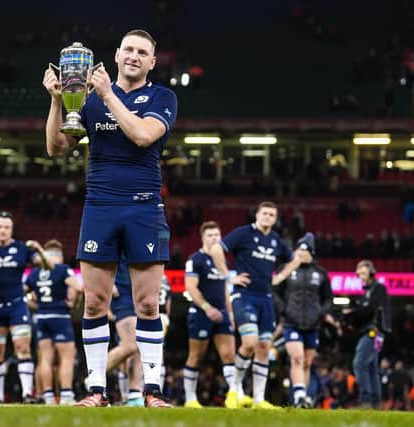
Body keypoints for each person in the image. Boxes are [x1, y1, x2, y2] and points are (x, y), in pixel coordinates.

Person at [43, 29, 177, 408]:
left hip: (144, 207)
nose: (134, 56)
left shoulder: (162, 97)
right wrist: (57, 102)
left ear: (152, 61)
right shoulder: (85, 100)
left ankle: (152, 391)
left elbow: (142, 135)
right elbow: (56, 148)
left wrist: (106, 94)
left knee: (148, 305)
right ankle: (96, 391)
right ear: (116, 55)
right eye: (129, 50)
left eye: (143, 52)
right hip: (100, 207)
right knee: (95, 303)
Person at [222, 201, 311, 409]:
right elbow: (218, 249)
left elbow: (295, 259)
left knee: (263, 347)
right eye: (265, 213)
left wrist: (279, 277)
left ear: (275, 219)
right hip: (244, 296)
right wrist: (228, 276)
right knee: (250, 342)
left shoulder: (275, 240)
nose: (268, 217)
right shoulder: (243, 233)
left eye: (272, 215)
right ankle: (234, 389)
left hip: (265, 298)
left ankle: (259, 399)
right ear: (257, 215)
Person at [0, 211, 49, 403]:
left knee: (22, 348)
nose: (3, 231)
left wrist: (39, 248)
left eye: (6, 227)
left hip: (17, 306)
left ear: (12, 229)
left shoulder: (23, 249)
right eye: (0, 227)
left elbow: (47, 266)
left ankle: (27, 394)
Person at [183, 221, 244, 408]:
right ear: (203, 238)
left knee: (229, 355)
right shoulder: (195, 259)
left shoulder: (222, 261)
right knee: (196, 356)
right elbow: (191, 287)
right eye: (210, 235)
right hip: (201, 313)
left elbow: (225, 289)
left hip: (222, 313)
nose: (214, 238)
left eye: (217, 235)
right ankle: (190, 399)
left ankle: (235, 395)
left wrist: (231, 315)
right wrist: (207, 308)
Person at [273, 233, 332, 408]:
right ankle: (299, 395)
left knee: (306, 363)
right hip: (291, 323)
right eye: (298, 249)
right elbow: (275, 291)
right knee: (297, 358)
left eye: (303, 250)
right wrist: (284, 310)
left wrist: (320, 312)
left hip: (312, 325)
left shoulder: (321, 274)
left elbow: (328, 299)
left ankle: (302, 398)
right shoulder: (286, 269)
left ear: (311, 252)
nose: (299, 253)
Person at [25, 239, 81, 405]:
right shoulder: (62, 270)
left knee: (45, 358)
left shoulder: (34, 274)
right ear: (58, 256)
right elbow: (77, 287)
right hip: (60, 316)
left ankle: (48, 395)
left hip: (41, 317)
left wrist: (35, 305)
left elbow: (22, 295)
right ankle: (66, 395)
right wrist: (74, 304)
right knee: (66, 357)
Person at [342, 260, 392, 409]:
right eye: (359, 274)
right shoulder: (368, 291)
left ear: (371, 273)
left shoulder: (378, 288)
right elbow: (365, 313)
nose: (361, 276)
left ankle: (365, 401)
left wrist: (352, 312)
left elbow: (370, 310)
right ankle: (375, 404)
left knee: (359, 363)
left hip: (374, 332)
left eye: (363, 273)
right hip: (373, 332)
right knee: (371, 368)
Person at [107, 255, 144, 407]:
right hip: (123, 295)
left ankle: (135, 394)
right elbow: (98, 258)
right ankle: (94, 378)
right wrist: (108, 282)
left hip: (138, 295)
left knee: (137, 348)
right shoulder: (115, 236)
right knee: (131, 345)